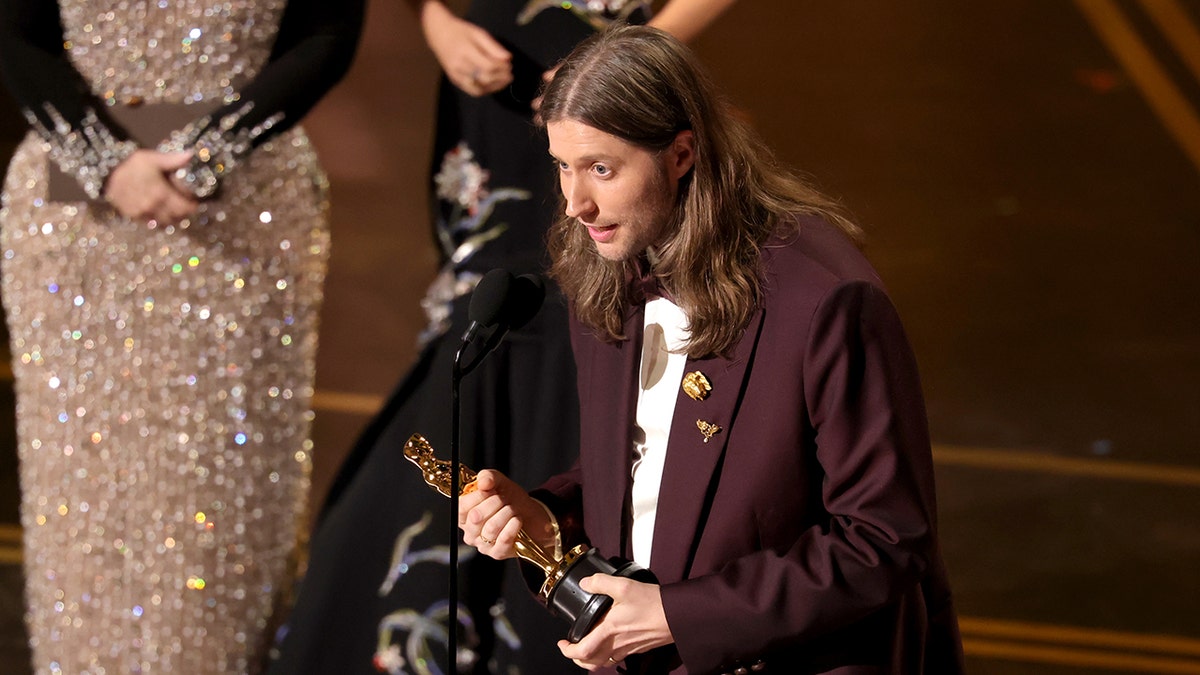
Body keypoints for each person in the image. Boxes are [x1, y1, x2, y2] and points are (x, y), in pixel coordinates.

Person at [457, 25, 966, 675]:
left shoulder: (825, 301)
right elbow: (649, 465)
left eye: (602, 169)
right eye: (563, 165)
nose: (576, 203)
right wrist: (547, 518)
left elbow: (884, 542)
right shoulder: (605, 264)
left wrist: (676, 615)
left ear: (681, 154)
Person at [269, 2, 732, 674]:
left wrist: (628, 61)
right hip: (489, 81)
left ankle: (559, 589)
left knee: (585, 302)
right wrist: (437, 21)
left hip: (602, 65)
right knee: (491, 311)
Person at [0, 1, 363, 672]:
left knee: (221, 485)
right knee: (79, 489)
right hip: (74, 227)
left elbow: (326, 34)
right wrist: (105, 162)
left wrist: (207, 157)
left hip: (245, 217)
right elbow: (16, 34)